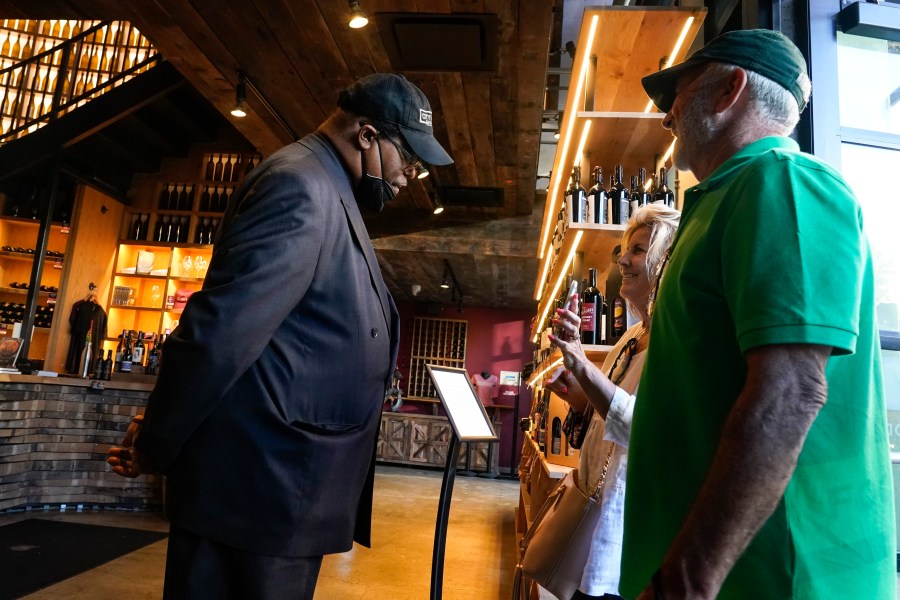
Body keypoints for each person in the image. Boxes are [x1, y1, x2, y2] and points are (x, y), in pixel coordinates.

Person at [106, 73, 453, 599]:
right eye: (408, 157)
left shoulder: (327, 185)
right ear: (365, 135)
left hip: (280, 492)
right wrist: (157, 441)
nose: (410, 176)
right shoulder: (299, 184)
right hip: (255, 490)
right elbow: (219, 334)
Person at [619, 29, 895, 599]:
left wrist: (685, 581)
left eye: (678, 92)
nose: (667, 116)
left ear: (728, 91)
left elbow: (791, 390)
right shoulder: (724, 200)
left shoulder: (784, 184)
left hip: (771, 577)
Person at [545, 204, 680, 600]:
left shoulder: (676, 344)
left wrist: (583, 366)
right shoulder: (631, 336)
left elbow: (648, 432)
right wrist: (579, 396)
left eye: (638, 250)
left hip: (623, 534)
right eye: (625, 248)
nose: (623, 258)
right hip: (592, 518)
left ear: (664, 259)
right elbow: (608, 420)